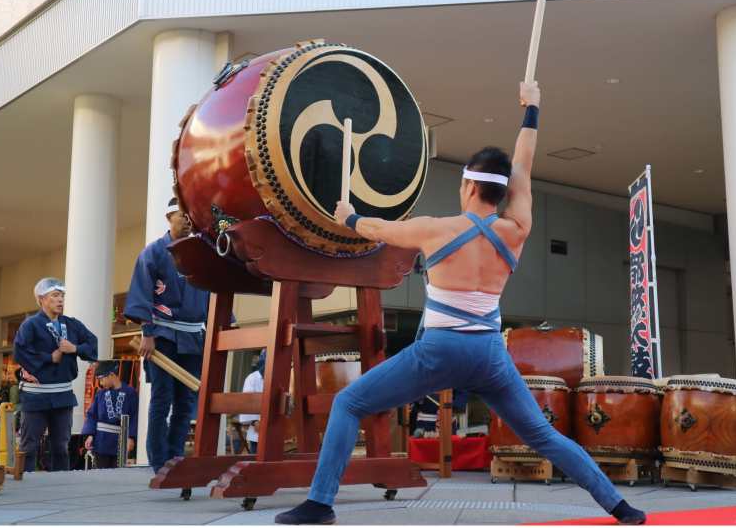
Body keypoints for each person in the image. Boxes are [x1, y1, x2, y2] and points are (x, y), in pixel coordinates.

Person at [275, 82, 647, 526]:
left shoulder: (436, 229)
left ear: (469, 184)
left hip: (440, 351)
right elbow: (523, 165)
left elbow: (377, 229)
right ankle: (619, 507)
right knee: (543, 436)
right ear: (501, 190)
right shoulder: (517, 228)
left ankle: (320, 503)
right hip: (489, 356)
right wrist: (532, 108)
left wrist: (349, 216)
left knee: (349, 404)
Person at [125, 198, 210, 496]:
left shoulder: (202, 252)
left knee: (186, 401)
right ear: (169, 216)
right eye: (182, 215)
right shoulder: (153, 253)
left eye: (191, 216)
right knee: (162, 398)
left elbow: (213, 294)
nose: (187, 221)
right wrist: (146, 333)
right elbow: (142, 294)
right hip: (162, 334)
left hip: (194, 335)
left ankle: (176, 459)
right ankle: (159, 462)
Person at [13, 277, 98, 473]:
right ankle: (25, 483)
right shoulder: (31, 324)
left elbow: (92, 343)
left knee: (61, 447)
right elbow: (20, 352)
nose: (60, 300)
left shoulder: (72, 324)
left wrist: (75, 348)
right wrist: (49, 358)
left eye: (62, 296)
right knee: (29, 446)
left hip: (63, 394)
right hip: (35, 395)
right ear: (41, 298)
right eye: (55, 295)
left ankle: (60, 484)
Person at [82, 360, 139, 469]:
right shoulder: (100, 394)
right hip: (101, 440)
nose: (101, 383)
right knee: (100, 473)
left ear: (111, 375)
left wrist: (130, 437)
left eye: (102, 380)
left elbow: (134, 416)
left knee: (118, 473)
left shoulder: (130, 392)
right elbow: (92, 415)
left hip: (120, 440)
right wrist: (90, 435)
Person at [237, 350, 265, 455]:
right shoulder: (252, 378)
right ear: (258, 358)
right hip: (257, 426)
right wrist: (255, 422)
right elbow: (246, 402)